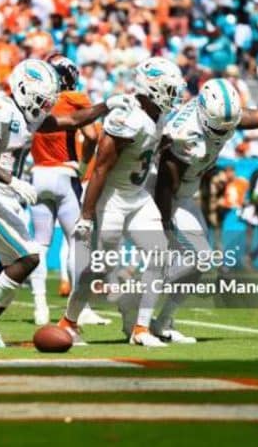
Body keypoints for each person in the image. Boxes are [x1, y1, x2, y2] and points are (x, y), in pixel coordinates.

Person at [0, 58, 134, 347]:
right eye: (42, 101)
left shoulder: (28, 115)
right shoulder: (13, 109)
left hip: (33, 179)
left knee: (33, 252)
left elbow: (69, 121)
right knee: (69, 242)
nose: (45, 106)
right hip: (13, 187)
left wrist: (107, 104)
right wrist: (82, 166)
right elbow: (86, 131)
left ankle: (30, 309)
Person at [151, 79, 258, 344]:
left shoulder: (221, 112)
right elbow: (164, 182)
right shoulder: (185, 134)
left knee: (198, 264)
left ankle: (162, 322)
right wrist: (164, 224)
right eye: (219, 126)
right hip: (166, 195)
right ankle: (138, 293)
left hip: (185, 193)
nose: (224, 132)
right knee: (200, 260)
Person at [57, 57, 185, 347]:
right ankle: (69, 321)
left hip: (138, 197)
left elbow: (147, 148)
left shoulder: (157, 114)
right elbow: (101, 167)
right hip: (111, 198)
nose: (174, 94)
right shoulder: (127, 115)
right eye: (169, 88)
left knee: (159, 255)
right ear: (151, 87)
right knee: (101, 266)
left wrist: (168, 143)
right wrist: (87, 215)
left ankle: (140, 329)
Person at [30, 54, 108, 326]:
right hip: (65, 174)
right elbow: (92, 136)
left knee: (40, 243)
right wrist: (84, 162)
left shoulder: (36, 98)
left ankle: (39, 306)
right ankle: (80, 308)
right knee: (78, 242)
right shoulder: (74, 99)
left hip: (37, 174)